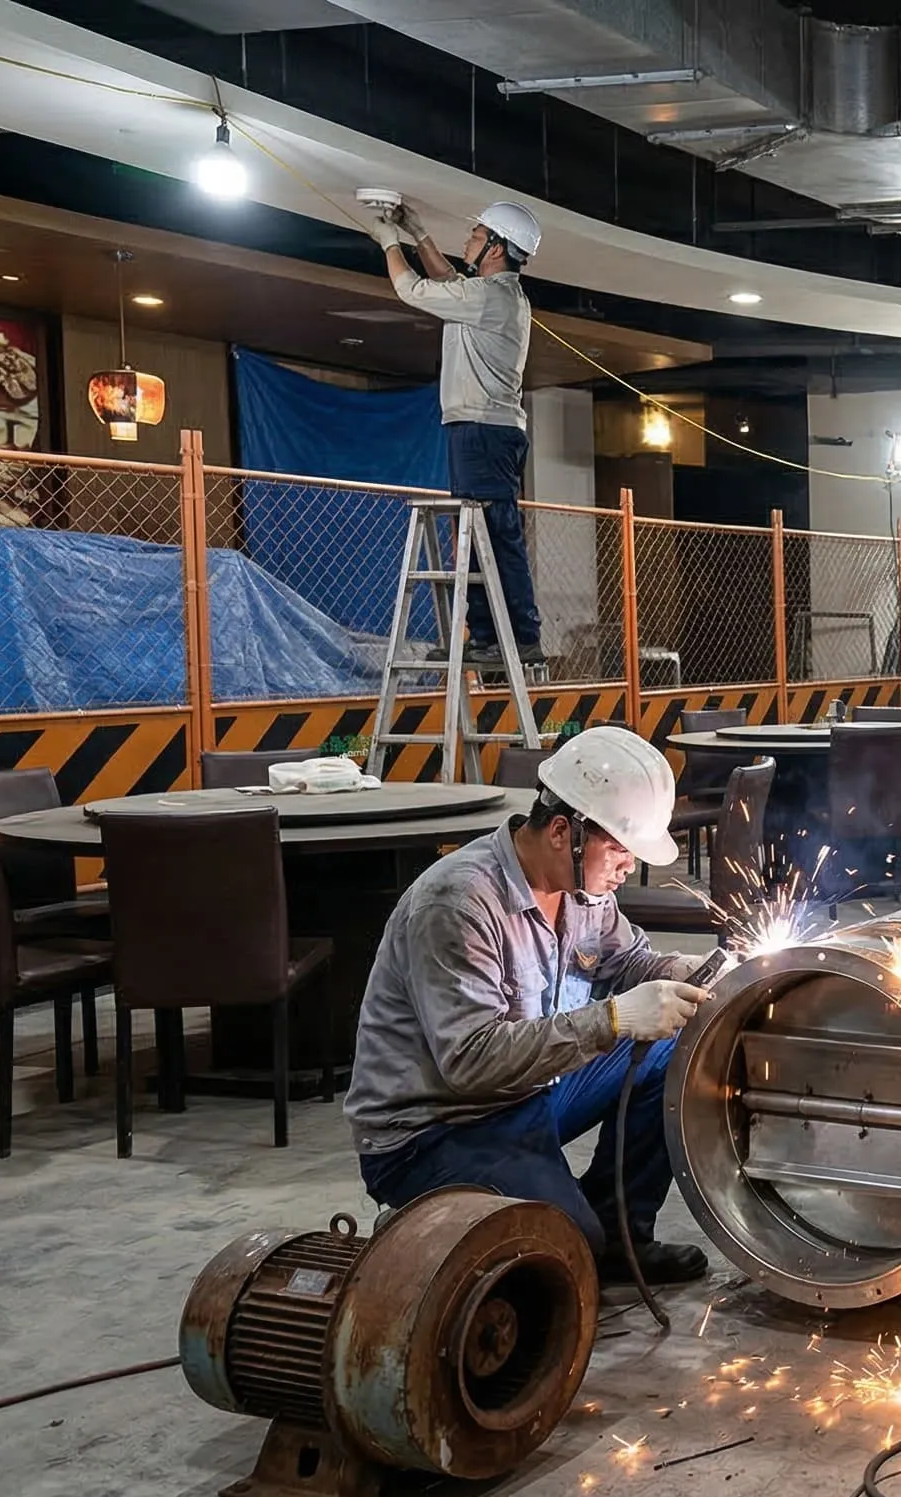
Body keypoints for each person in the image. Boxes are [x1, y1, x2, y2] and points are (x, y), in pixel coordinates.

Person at [344, 726, 723, 1284]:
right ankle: (426, 1216)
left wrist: (683, 973)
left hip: (525, 1093)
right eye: (618, 848)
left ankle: (621, 1236)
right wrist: (615, 1018)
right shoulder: (458, 904)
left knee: (672, 1050)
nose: (626, 867)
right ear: (563, 832)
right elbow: (471, 1062)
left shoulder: (584, 894)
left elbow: (631, 961)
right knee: (566, 1246)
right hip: (436, 1128)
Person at [368, 197, 544, 667]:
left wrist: (389, 242)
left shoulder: (489, 298)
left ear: (495, 248)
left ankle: (518, 637)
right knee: (484, 532)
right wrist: (417, 232)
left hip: (482, 430)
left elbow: (412, 289)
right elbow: (448, 281)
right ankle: (490, 636)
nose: (468, 239)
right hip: (486, 428)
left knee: (492, 535)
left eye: (476, 234)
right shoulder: (493, 295)